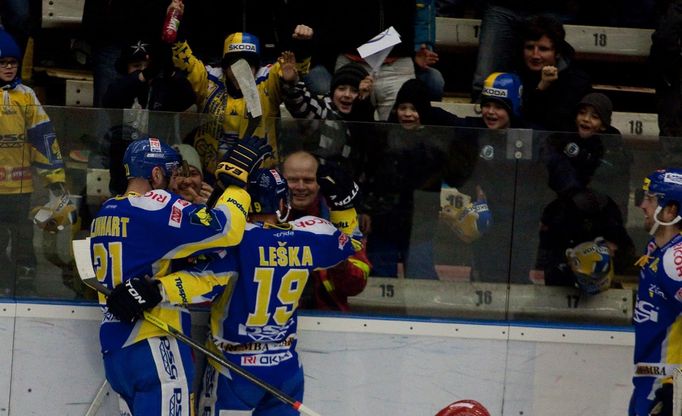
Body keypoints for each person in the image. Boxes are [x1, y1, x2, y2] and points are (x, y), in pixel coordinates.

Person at [89, 135, 271, 415]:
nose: (175, 182)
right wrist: (236, 186)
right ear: (156, 174)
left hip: (116, 350)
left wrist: (215, 195)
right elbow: (227, 230)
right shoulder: (155, 203)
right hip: (152, 342)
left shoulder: (106, 211)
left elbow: (178, 236)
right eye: (172, 174)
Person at [193, 168, 360, 415]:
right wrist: (343, 206)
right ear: (283, 202)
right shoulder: (308, 234)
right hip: (285, 368)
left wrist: (156, 291)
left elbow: (197, 280)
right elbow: (351, 242)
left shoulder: (234, 240)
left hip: (234, 368)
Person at [166, 0, 313, 173]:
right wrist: (174, 21)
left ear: (257, 66)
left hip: (259, 174)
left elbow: (293, 69)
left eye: (248, 65)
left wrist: (302, 46)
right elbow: (185, 61)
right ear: (225, 66)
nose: (241, 71)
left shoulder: (267, 79)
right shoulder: (209, 79)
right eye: (235, 64)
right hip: (211, 174)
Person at [364, 78, 478, 278]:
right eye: (403, 107)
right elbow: (370, 173)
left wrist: (432, 114)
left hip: (421, 227)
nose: (407, 114)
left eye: (415, 109)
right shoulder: (383, 137)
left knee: (421, 278)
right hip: (383, 223)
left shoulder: (437, 143)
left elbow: (465, 136)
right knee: (379, 278)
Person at [0, 28, 76, 295]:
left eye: (13, 63)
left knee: (23, 242)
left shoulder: (26, 96)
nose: (9, 68)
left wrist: (55, 181)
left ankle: (25, 284)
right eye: (2, 63)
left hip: (21, 191)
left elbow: (44, 140)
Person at [281, 151, 370, 310]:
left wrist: (339, 260)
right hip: (272, 319)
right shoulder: (265, 215)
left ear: (320, 182)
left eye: (308, 180)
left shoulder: (341, 214)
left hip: (327, 317)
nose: (301, 187)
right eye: (293, 180)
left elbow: (357, 285)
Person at [629, 168, 682, 416]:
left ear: (671, 210)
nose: (642, 205)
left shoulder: (676, 259)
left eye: (651, 199)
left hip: (667, 381)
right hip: (649, 378)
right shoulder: (656, 247)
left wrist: (674, 390)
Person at [282, 59, 375, 180]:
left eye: (355, 91)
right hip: (317, 184)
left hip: (350, 186)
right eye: (341, 88)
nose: (347, 95)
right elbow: (299, 103)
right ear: (332, 91)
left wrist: (362, 102)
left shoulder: (364, 115)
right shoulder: (323, 109)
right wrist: (293, 83)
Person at [518, 14, 592, 132]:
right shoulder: (514, 76)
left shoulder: (578, 82)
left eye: (543, 49)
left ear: (557, 52)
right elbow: (520, 121)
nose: (535, 55)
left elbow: (558, 125)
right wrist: (541, 88)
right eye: (529, 47)